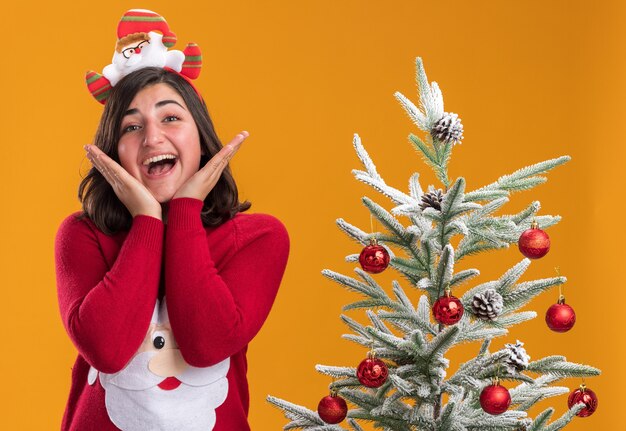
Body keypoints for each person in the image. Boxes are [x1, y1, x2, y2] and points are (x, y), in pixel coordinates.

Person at [55, 65, 289, 430]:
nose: (152, 138)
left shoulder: (258, 237)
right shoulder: (83, 235)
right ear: (113, 152)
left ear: (202, 137)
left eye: (170, 117)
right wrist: (147, 220)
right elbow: (107, 351)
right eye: (131, 127)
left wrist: (185, 210)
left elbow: (206, 344)